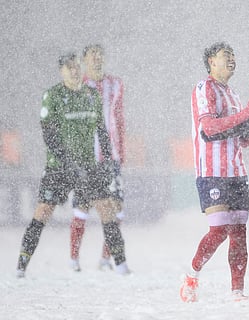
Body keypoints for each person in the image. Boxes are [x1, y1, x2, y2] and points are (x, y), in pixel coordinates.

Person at [15, 52, 130, 278]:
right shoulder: (53, 95)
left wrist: (106, 161)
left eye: (76, 66)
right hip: (59, 167)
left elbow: (102, 132)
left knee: (108, 209)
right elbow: (49, 134)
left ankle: (121, 265)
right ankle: (21, 265)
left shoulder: (91, 95)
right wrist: (67, 162)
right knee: (42, 212)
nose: (74, 71)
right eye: (69, 68)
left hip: (88, 167)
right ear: (62, 71)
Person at [180, 41, 249, 303]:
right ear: (211, 61)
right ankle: (192, 273)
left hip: (236, 171)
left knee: (239, 235)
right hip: (212, 171)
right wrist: (248, 113)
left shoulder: (232, 94)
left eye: (233, 54)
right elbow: (209, 129)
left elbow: (239, 138)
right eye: (225, 55)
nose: (232, 59)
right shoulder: (203, 88)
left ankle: (237, 291)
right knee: (219, 230)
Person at [69, 44, 126, 272]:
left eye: (100, 55)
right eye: (92, 57)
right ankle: (74, 259)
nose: (97, 60)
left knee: (117, 207)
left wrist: (121, 152)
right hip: (86, 158)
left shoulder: (116, 84)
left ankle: (105, 259)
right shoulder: (77, 86)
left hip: (110, 157)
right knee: (83, 206)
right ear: (84, 61)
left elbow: (119, 117)